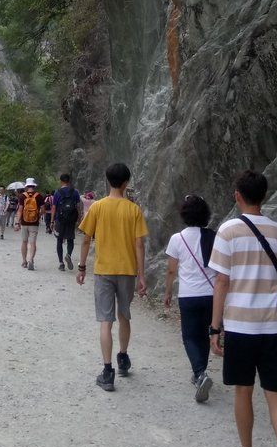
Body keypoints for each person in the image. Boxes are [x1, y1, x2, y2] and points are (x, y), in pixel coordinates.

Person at [208, 170, 277, 447]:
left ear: (237, 195)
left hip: (241, 327)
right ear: (265, 195)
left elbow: (222, 282)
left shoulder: (228, 231)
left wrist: (215, 328)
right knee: (275, 392)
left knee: (243, 390)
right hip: (274, 325)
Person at [76, 162, 148, 392]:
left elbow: (86, 239)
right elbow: (139, 244)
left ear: (108, 181)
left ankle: (107, 372)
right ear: (126, 182)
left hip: (104, 270)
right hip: (127, 270)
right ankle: (123, 357)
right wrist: (142, 275)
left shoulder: (97, 207)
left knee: (105, 321)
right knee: (124, 315)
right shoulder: (134, 210)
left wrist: (81, 267)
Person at [163, 195, 217, 403]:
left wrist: (168, 293)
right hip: (211, 294)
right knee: (204, 335)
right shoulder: (214, 236)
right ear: (205, 215)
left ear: (184, 214)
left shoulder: (178, 238)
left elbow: (171, 271)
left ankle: (200, 373)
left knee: (189, 336)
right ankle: (199, 373)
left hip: (188, 295)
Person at [52, 173, 82, 271]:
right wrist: (79, 219)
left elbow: (54, 207)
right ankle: (68, 254)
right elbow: (78, 206)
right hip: (71, 219)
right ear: (69, 181)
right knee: (70, 239)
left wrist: (52, 221)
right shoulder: (75, 192)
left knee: (59, 240)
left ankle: (61, 263)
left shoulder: (57, 193)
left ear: (61, 181)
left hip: (60, 219)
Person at [13, 178, 45, 270]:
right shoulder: (39, 196)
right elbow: (43, 210)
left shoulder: (22, 196)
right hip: (34, 223)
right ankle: (31, 259)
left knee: (24, 242)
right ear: (34, 186)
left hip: (24, 222)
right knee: (33, 242)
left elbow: (20, 210)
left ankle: (24, 261)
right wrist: (38, 215)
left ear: (26, 186)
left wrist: (17, 222)